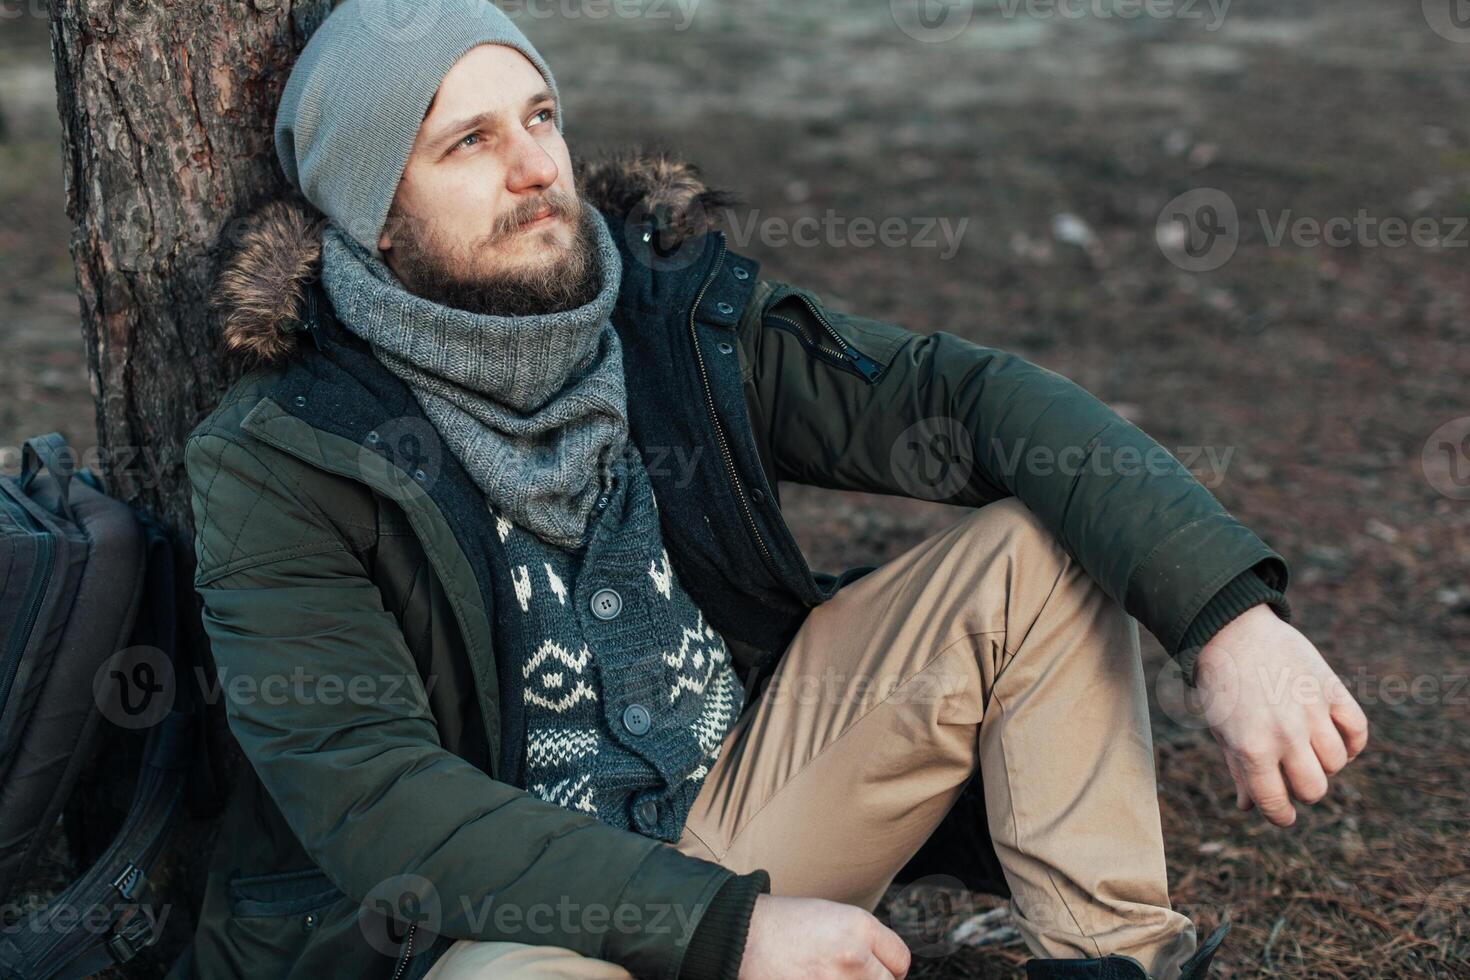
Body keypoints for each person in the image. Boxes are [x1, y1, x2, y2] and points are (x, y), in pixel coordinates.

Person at [175, 2, 1369, 978]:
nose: (541, 167)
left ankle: (1113, 962)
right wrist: (727, 929)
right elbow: (379, 798)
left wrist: (1224, 616)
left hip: (747, 812)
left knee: (1034, 550)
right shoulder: (285, 454)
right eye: (469, 142)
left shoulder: (663, 319)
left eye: (540, 114)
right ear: (376, 217)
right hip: (500, 926)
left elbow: (967, 399)